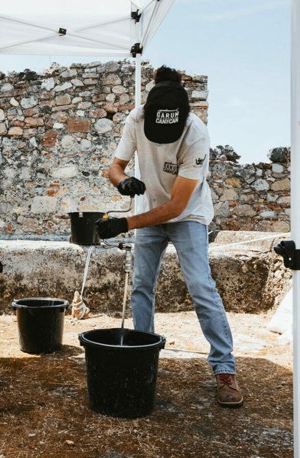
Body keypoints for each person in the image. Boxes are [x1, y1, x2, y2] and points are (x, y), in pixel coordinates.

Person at [96, 66, 244, 407]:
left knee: (200, 286)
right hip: (149, 209)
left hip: (187, 215)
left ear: (183, 117)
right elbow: (114, 167)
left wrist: (125, 224)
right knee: (141, 286)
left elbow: (176, 206)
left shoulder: (196, 134)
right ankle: (144, 357)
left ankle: (224, 369)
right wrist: (123, 182)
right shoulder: (136, 119)